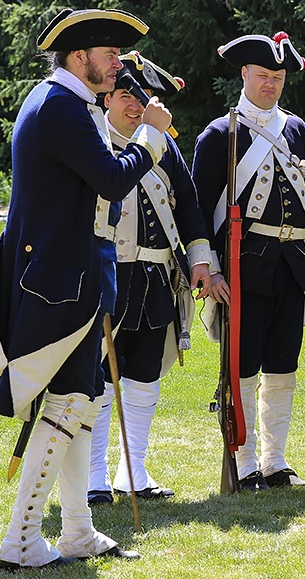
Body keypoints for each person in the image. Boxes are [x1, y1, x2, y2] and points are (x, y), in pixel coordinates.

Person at [0, 8, 173, 570]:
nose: (119, 64)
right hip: (60, 280)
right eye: (110, 54)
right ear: (77, 58)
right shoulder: (60, 107)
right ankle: (21, 540)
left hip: (74, 274)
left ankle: (77, 532)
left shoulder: (65, 103)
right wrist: (152, 137)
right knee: (67, 404)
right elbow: (113, 179)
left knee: (81, 403)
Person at [192, 32, 305, 490]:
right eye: (262, 76)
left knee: (283, 367)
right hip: (242, 269)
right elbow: (201, 211)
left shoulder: (297, 130)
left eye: (278, 77)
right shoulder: (220, 133)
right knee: (241, 368)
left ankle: (275, 461)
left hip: (293, 265)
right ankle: (242, 463)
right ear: (244, 74)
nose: (270, 85)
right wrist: (210, 267)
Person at [87, 51, 217, 505]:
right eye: (126, 96)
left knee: (145, 377)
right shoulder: (94, 141)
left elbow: (189, 206)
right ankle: (94, 475)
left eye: (145, 99)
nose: (135, 107)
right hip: (109, 277)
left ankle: (133, 471)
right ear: (108, 99)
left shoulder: (166, 145)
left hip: (158, 277)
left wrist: (201, 261)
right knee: (100, 379)